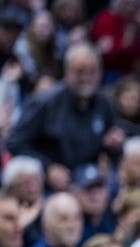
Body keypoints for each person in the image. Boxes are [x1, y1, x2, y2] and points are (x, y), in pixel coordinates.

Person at [6, 43, 124, 191]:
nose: (86, 78)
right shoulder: (45, 103)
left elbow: (112, 150)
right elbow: (15, 143)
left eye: (92, 72)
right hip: (50, 186)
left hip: (89, 182)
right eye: (80, 72)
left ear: (100, 73)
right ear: (67, 72)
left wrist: (115, 147)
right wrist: (47, 168)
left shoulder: (104, 103)